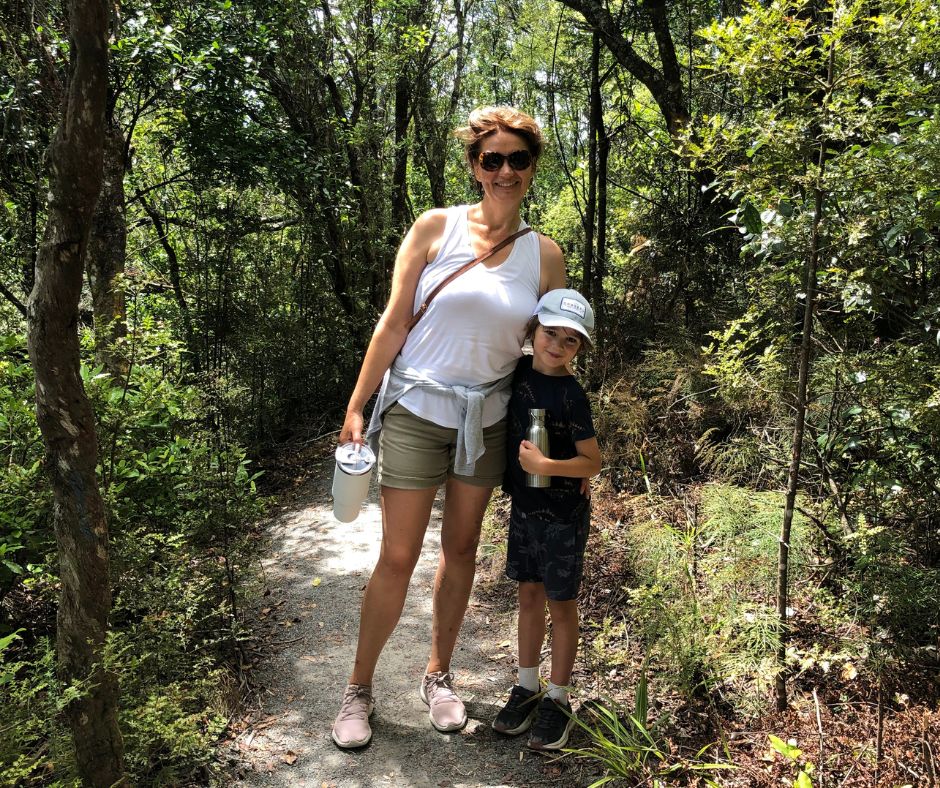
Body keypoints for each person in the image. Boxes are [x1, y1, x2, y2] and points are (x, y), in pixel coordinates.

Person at [331, 106, 566, 749]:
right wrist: (358, 406)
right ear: (474, 166)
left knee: (461, 550)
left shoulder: (544, 256)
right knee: (400, 555)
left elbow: (551, 349)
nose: (506, 170)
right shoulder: (436, 228)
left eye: (518, 158)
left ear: (532, 166)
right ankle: (359, 688)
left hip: (487, 419)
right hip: (416, 409)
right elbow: (394, 323)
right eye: (492, 158)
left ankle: (438, 675)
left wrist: (553, 437)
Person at [491, 288, 601, 751]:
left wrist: (549, 468)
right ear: (533, 330)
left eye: (569, 340)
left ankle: (558, 697)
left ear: (579, 349)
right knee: (528, 595)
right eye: (549, 332)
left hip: (563, 516)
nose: (556, 345)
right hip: (525, 510)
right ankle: (527, 685)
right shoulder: (514, 374)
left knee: (562, 603)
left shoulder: (572, 395)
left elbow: (591, 462)